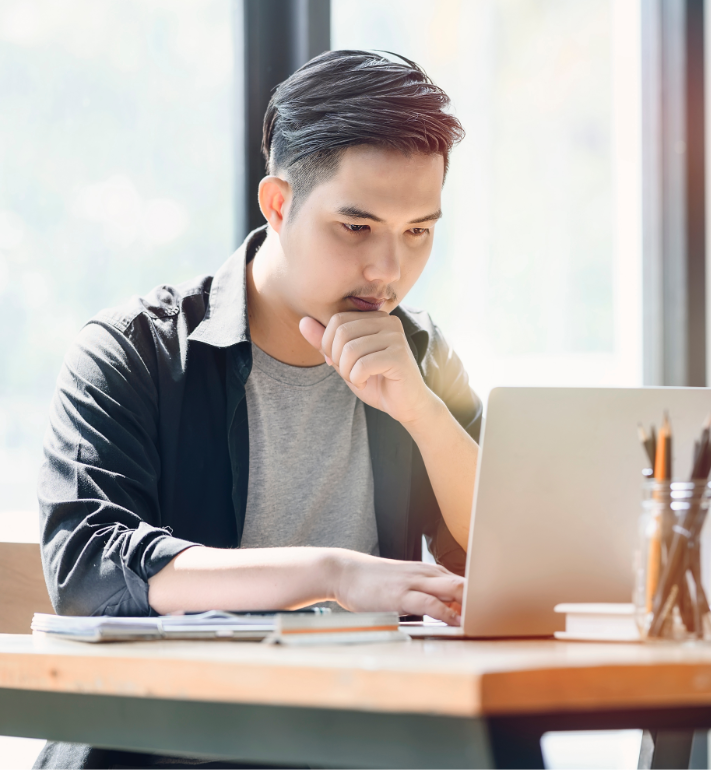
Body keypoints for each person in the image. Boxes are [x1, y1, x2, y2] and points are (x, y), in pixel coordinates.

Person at [34, 50, 478, 769]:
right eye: (357, 228)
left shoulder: (419, 358)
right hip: (169, 749)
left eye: (418, 231)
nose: (388, 272)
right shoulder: (133, 354)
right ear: (278, 204)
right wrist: (332, 573)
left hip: (361, 744)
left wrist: (424, 414)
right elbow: (91, 572)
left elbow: (506, 561)